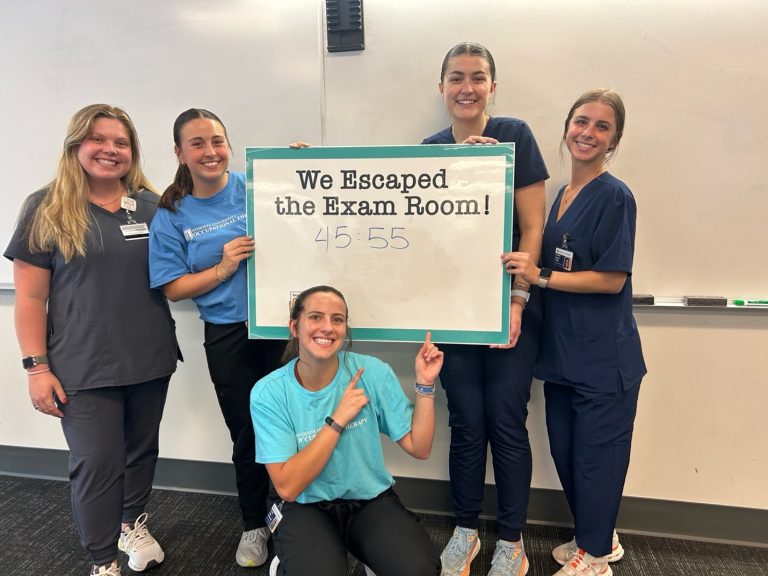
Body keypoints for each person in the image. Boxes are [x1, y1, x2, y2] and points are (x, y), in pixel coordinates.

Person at [4, 104, 180, 576]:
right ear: (75, 145)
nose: (110, 150)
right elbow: (28, 299)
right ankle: (103, 560)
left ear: (132, 151)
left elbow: (203, 232)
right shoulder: (46, 207)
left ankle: (131, 524)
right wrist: (36, 368)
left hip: (149, 354)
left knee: (141, 452)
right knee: (97, 463)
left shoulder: (152, 204)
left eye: (121, 142)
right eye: (99, 140)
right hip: (81, 364)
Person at [502, 89, 646, 576]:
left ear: (614, 140)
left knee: (596, 459)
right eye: (581, 122)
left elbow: (612, 279)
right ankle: (597, 535)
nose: (587, 132)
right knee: (566, 452)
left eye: (601, 127)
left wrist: (538, 275)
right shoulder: (562, 195)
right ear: (566, 128)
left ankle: (596, 554)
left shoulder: (615, 196)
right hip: (562, 354)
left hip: (604, 359)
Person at [421, 42, 547, 576]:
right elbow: (421, 233)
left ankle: (512, 540)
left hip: (508, 309)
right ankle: (467, 530)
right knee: (467, 424)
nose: (466, 87)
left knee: (505, 423)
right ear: (442, 86)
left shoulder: (513, 136)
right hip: (455, 313)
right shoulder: (429, 147)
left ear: (493, 86)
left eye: (477, 77)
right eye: (456, 77)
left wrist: (517, 301)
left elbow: (534, 227)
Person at [148, 108, 284, 568]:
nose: (211, 152)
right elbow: (171, 287)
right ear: (179, 153)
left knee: (297, 426)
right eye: (198, 143)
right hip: (229, 334)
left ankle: (299, 516)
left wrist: (305, 171)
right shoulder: (171, 213)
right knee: (247, 433)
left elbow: (312, 211)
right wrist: (223, 268)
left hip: (284, 330)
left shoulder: (258, 186)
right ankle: (254, 524)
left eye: (218, 141)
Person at [251, 285, 443, 576]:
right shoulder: (269, 392)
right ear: (294, 327)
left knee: (420, 569)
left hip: (367, 499)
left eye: (337, 319)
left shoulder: (372, 372)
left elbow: (420, 447)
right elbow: (288, 487)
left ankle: (369, 554)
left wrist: (425, 385)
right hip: (304, 504)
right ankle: (287, 563)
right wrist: (337, 421)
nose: (327, 328)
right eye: (316, 317)